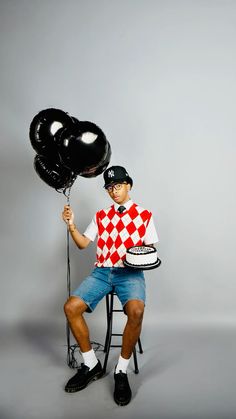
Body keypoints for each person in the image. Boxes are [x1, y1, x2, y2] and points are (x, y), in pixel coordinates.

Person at [62, 165, 159, 406]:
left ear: (129, 185)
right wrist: (72, 226)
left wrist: (138, 257)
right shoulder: (100, 216)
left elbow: (151, 249)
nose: (113, 191)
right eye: (109, 187)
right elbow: (84, 244)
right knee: (71, 307)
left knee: (136, 311)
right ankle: (91, 364)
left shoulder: (144, 215)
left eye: (118, 185)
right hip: (102, 272)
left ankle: (121, 371)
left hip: (130, 274)